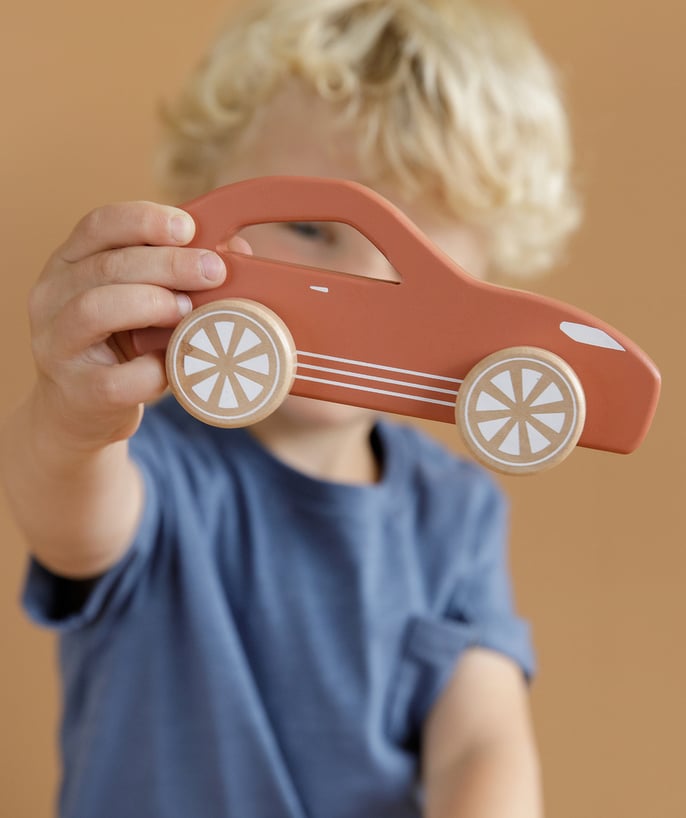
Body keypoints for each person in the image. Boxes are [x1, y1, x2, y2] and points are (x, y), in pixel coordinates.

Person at [0, 1, 580, 816]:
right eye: (310, 228)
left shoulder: (456, 514)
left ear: (491, 267)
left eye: (419, 250)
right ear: (204, 211)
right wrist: (71, 419)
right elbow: (64, 507)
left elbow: (482, 739)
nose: (366, 284)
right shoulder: (152, 461)